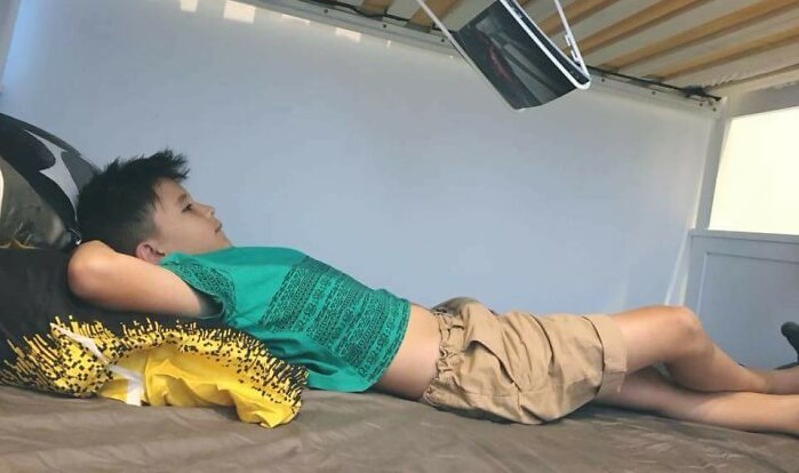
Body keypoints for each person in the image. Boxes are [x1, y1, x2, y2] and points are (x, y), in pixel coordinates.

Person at [68, 150, 799, 435]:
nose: (209, 209)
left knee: (663, 393)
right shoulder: (195, 286)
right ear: (152, 252)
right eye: (187, 207)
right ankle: (774, 378)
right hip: (477, 364)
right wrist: (84, 238)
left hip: (471, 340)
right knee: (677, 327)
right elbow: (89, 271)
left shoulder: (228, 273)